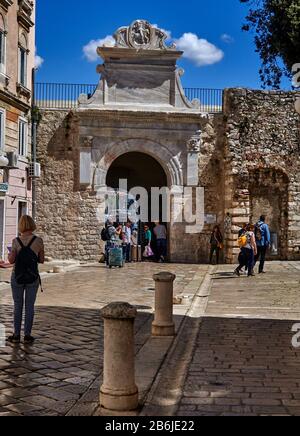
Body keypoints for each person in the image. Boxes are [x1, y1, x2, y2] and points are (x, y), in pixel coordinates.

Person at [7, 216, 45, 345]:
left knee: (18, 306)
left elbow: (11, 261)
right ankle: (27, 335)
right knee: (30, 306)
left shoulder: (16, 241)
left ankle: (16, 335)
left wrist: (10, 254)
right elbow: (41, 260)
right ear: (32, 225)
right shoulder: (38, 241)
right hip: (32, 277)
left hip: (17, 277)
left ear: (21, 226)